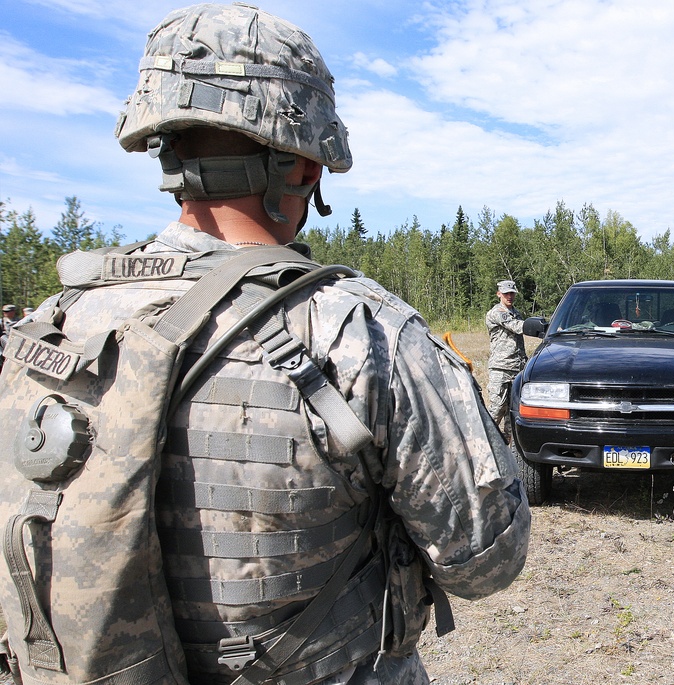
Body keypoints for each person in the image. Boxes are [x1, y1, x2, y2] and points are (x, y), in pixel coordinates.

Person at [15, 5, 531, 683]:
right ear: (304, 165)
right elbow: (487, 558)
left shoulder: (57, 327)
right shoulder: (361, 333)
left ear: (164, 146)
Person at [486, 279, 528, 442]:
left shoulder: (516, 312)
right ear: (499, 294)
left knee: (513, 412)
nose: (509, 296)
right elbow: (516, 326)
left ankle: (507, 447)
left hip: (517, 368)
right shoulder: (497, 313)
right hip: (501, 367)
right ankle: (486, 443)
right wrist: (541, 326)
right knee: (497, 409)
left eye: (512, 293)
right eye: (506, 293)